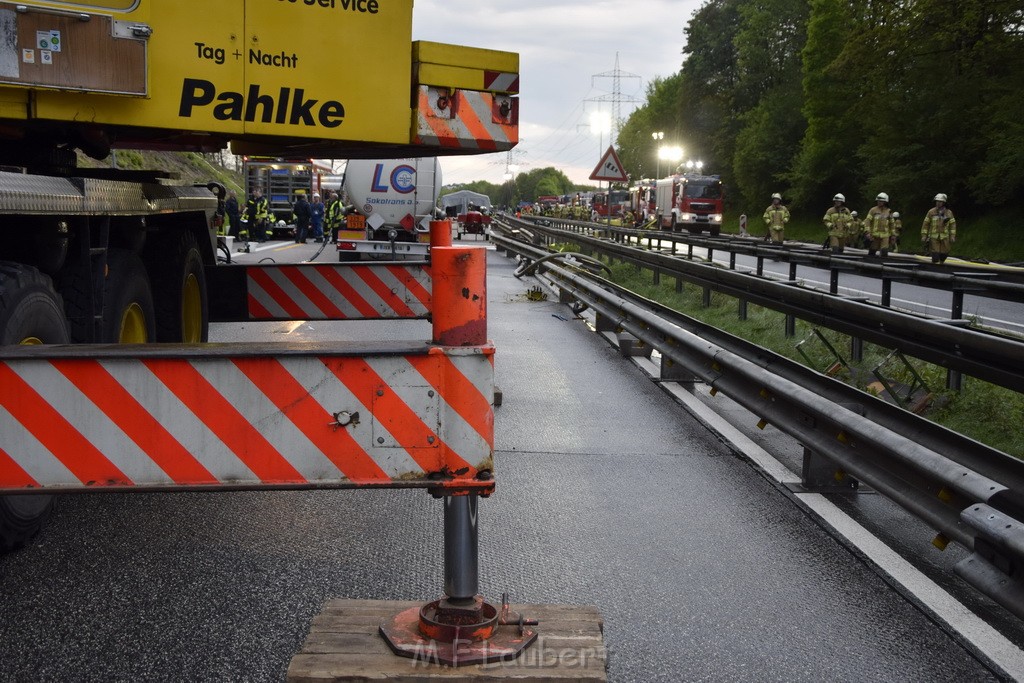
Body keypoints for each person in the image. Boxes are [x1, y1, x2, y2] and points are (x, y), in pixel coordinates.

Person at [921, 193, 956, 264]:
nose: (938, 203)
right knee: (935, 256)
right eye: (937, 201)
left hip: (945, 236)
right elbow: (926, 224)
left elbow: (952, 225)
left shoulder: (949, 213)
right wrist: (924, 235)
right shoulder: (931, 212)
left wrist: (952, 236)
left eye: (940, 201)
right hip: (934, 237)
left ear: (944, 202)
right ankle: (934, 267)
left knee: (944, 254)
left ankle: (941, 265)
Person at [862, 192, 894, 257]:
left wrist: (893, 235)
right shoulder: (873, 210)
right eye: (878, 201)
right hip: (874, 236)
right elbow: (867, 221)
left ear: (885, 202)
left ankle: (883, 264)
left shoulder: (889, 211)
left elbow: (892, 224)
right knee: (872, 252)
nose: (879, 202)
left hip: (885, 235)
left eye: (881, 201)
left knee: (884, 251)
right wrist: (867, 232)